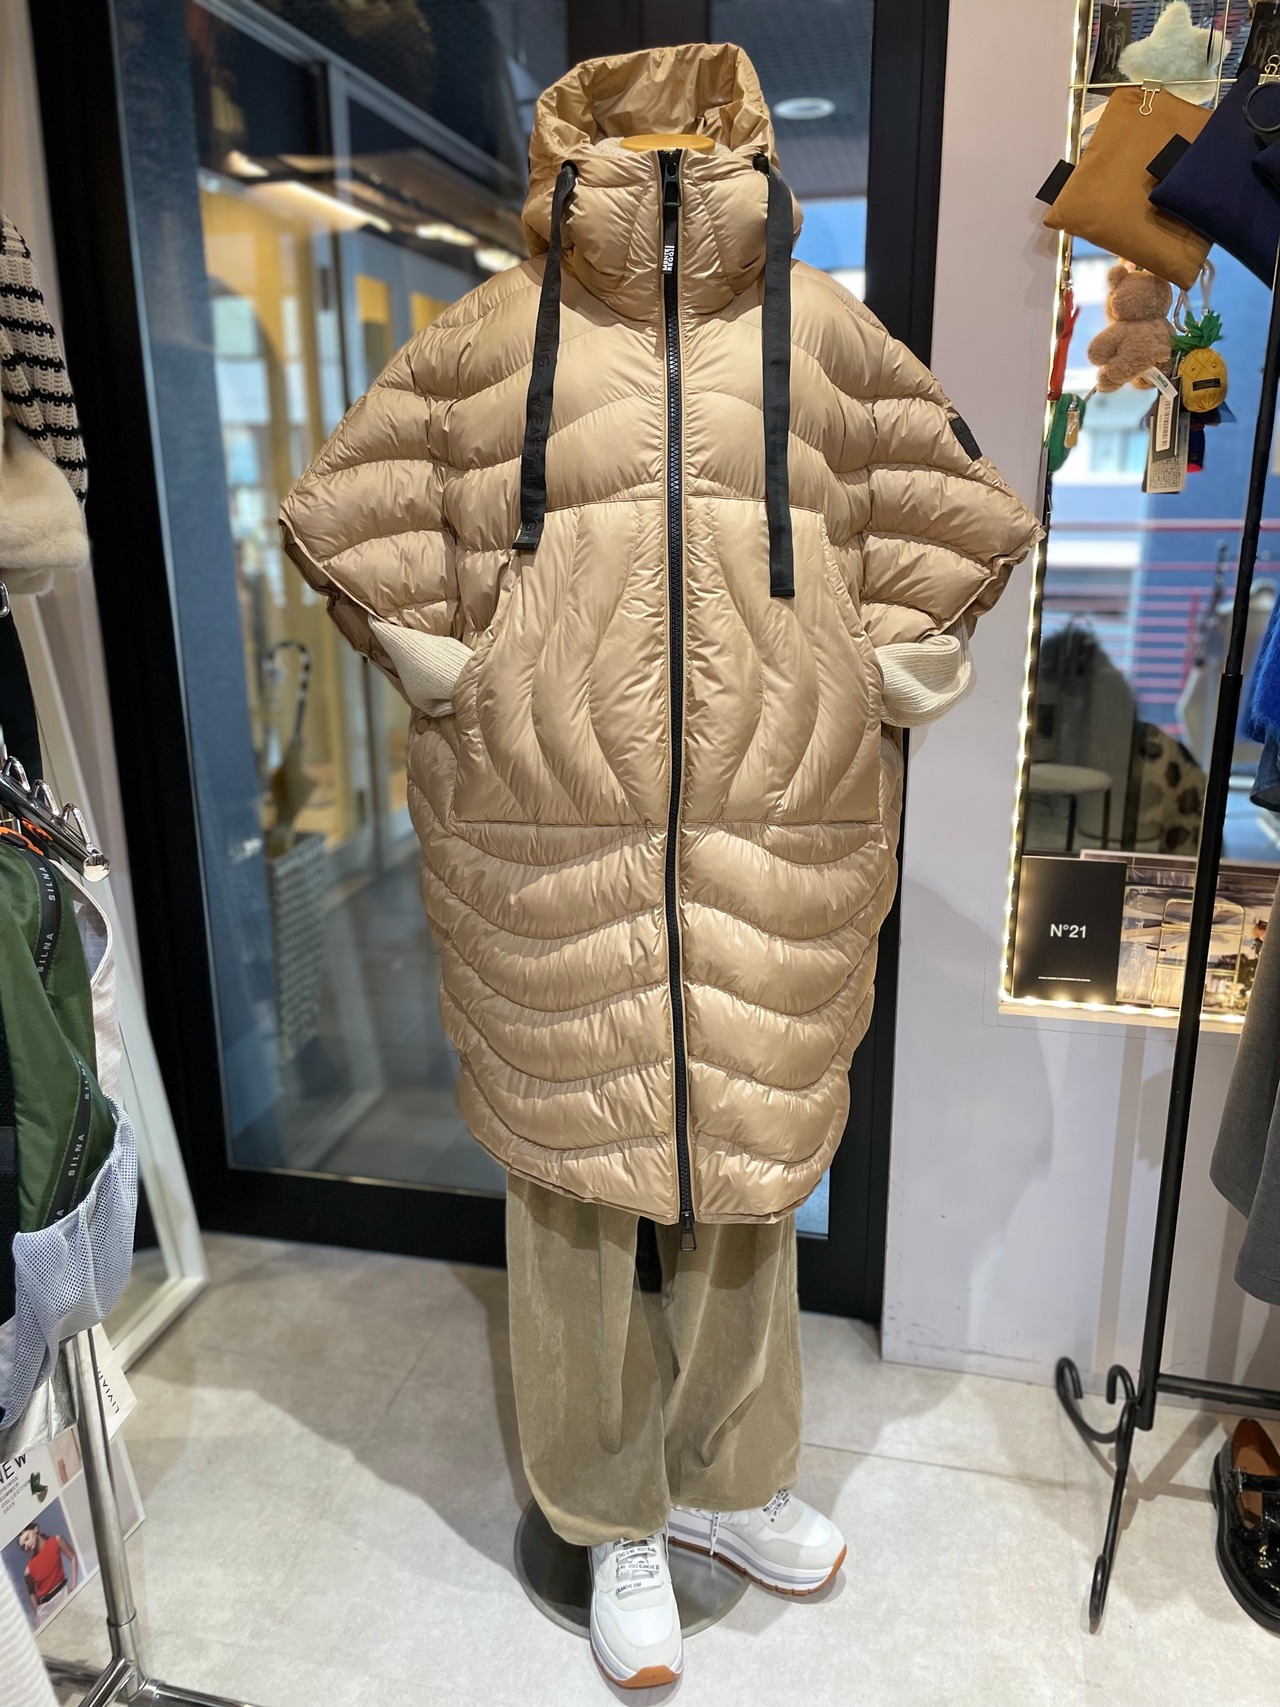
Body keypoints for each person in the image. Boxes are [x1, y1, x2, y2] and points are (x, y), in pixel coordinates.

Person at [280, 41, 1038, 1690]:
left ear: (742, 154)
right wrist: (459, 667)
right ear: (575, 157)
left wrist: (865, 667)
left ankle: (731, 1477)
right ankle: (610, 1508)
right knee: (571, 1191)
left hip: (777, 825)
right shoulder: (492, 337)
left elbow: (959, 512)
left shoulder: (820, 335)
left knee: (749, 1180)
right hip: (545, 832)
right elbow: (342, 510)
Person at [17, 1521, 77, 1626]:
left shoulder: (56, 1540)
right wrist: (37, 1613)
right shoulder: (28, 1570)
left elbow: (73, 1558)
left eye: (27, 1538)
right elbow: (32, 1594)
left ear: (35, 1529)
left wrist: (74, 1585)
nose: (27, 1545)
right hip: (45, 1608)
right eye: (23, 1547)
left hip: (62, 1595)